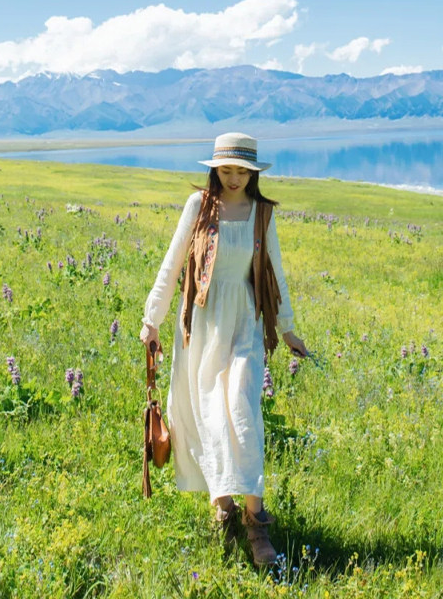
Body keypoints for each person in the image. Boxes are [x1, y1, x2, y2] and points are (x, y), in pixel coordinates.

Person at [140, 132, 308, 566]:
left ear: (253, 173)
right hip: (203, 322)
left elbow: (276, 272)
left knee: (241, 411)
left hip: (245, 323)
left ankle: (257, 525)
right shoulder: (199, 207)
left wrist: (287, 329)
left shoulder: (261, 214)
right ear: (214, 170)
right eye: (226, 170)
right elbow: (173, 260)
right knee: (211, 415)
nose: (233, 178)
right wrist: (151, 319)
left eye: (241, 171)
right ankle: (224, 504)